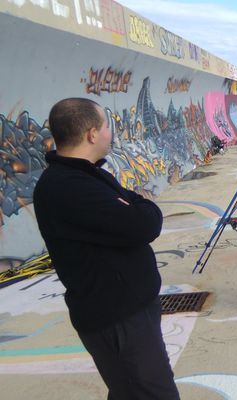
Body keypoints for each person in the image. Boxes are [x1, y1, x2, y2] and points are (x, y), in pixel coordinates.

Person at [33, 98, 180, 400]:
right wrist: (139, 203)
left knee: (131, 390)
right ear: (91, 134)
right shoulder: (70, 186)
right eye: (105, 127)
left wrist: (136, 204)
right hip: (118, 320)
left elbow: (135, 210)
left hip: (126, 313)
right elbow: (145, 223)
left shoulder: (85, 175)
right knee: (152, 392)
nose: (109, 134)